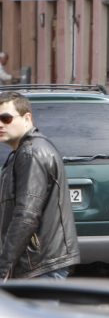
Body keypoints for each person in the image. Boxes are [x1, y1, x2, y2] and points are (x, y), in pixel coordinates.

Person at [0, 91, 80, 281]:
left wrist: (4, 265)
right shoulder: (26, 151)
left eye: (6, 118)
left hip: (39, 264)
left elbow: (26, 214)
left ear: (27, 118)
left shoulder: (31, 153)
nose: (0, 124)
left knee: (35, 312)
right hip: (39, 262)